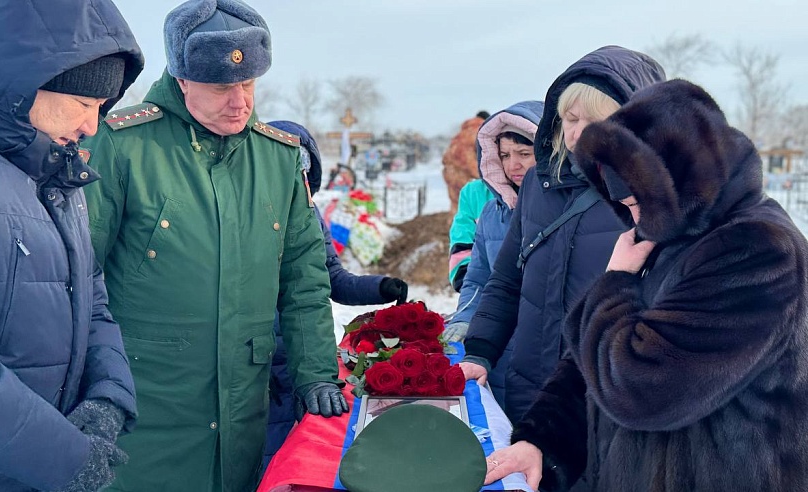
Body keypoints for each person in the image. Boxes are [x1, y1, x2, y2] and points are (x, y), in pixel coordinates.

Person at [485, 79, 808, 492]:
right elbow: (591, 359)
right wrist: (542, 440)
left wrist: (614, 284)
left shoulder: (756, 249)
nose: (627, 210)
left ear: (678, 179)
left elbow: (641, 388)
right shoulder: (672, 232)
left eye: (636, 199)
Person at [81, 1, 348, 491]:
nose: (240, 102)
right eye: (223, 88)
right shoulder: (122, 145)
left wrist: (315, 373)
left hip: (242, 408)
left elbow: (304, 280)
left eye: (248, 85)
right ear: (182, 81)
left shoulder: (278, 158)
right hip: (147, 406)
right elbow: (78, 278)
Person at [0, 0, 144, 491]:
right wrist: (67, 459)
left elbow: (92, 302)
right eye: (85, 104)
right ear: (28, 82)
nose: (93, 125)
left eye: (102, 109)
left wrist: (108, 397)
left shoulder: (52, 170)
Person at [460, 46, 665, 427]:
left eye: (595, 119)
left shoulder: (652, 199)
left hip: (605, 399)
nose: (576, 133)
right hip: (529, 389)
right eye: (569, 118)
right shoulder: (540, 185)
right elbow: (506, 280)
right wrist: (479, 351)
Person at [262, 120, 409, 469]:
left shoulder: (310, 217)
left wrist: (379, 287)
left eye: (301, 175)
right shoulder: (240, 217)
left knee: (292, 450)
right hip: (256, 363)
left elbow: (334, 279)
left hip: (302, 355)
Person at [443, 101, 543, 411]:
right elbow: (479, 279)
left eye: (524, 154)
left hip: (549, 358)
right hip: (498, 351)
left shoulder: (571, 212)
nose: (513, 164)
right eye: (504, 155)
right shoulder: (491, 212)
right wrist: (465, 319)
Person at [443, 110, 489, 215]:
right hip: (465, 171)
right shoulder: (480, 130)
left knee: (456, 203)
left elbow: (449, 154)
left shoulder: (461, 133)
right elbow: (466, 157)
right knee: (470, 204)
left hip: (449, 171)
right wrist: (483, 174)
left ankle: (454, 229)